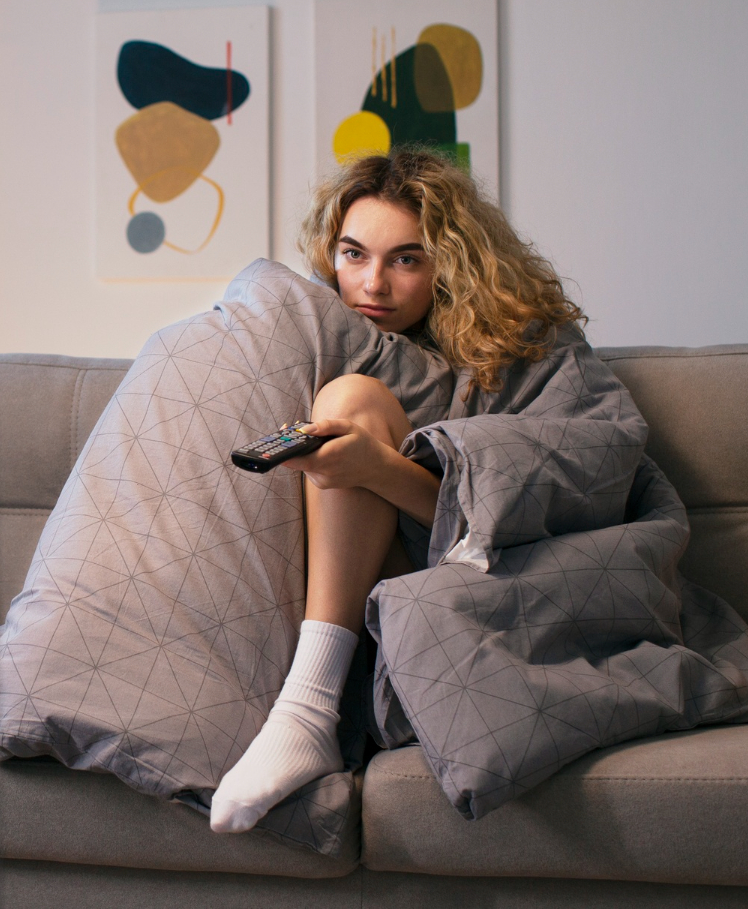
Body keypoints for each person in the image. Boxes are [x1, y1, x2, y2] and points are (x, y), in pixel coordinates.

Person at [209, 146, 586, 833]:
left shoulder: (532, 348)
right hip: (349, 596)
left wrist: (377, 469)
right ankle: (302, 706)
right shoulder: (319, 333)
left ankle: (307, 711)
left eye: (405, 259)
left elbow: (556, 502)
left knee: (351, 400)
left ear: (454, 264)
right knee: (348, 395)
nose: (372, 285)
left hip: (487, 589)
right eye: (354, 255)